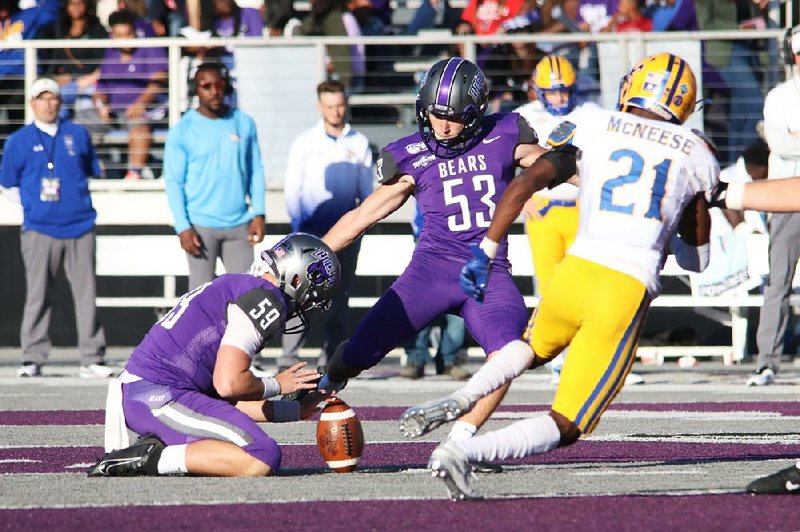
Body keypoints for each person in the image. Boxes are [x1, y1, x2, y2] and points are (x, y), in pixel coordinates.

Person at [400, 53, 720, 500]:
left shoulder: (596, 124)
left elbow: (523, 183)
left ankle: (463, 398)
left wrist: (486, 250)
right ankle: (466, 452)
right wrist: (705, 198)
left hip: (575, 269)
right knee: (569, 422)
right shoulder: (695, 151)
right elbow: (696, 260)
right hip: (622, 286)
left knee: (528, 349)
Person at [316, 57, 546, 453]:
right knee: (355, 353)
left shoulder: (505, 134)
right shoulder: (412, 154)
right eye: (435, 114)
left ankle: (460, 440)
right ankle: (322, 389)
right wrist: (313, 256)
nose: (441, 126)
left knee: (510, 354)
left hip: (487, 273)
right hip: (429, 272)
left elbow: (557, 166)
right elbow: (363, 215)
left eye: (453, 117)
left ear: (475, 114)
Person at [87, 233, 340, 477]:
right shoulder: (266, 299)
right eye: (310, 298)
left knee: (255, 449)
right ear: (297, 280)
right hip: (157, 396)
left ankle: (157, 452)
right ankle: (150, 459)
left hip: (153, 392)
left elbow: (223, 402)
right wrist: (277, 385)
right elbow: (229, 385)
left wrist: (296, 410)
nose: (305, 307)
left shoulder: (243, 286)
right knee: (262, 455)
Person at [0, 77, 111, 379]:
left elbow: (91, 171)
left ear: (61, 102)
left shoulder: (77, 134)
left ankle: (92, 357)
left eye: (53, 98)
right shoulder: (18, 141)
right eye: (42, 98)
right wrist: (33, 209)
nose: (48, 103)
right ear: (31, 102)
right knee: (38, 294)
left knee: (86, 294)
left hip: (80, 224)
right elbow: (7, 184)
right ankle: (32, 357)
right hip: (39, 228)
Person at [276, 80, 372, 373]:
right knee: (298, 297)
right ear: (320, 107)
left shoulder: (359, 143)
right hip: (311, 234)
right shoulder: (305, 142)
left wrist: (359, 227)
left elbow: (367, 192)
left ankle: (332, 361)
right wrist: (299, 229)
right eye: (330, 106)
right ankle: (288, 358)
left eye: (340, 105)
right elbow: (293, 190)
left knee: (340, 301)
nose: (336, 111)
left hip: (347, 233)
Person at [163, 62, 266, 291]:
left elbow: (256, 169)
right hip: (200, 228)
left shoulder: (244, 122)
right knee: (200, 302)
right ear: (196, 90)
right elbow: (173, 182)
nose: (214, 91)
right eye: (206, 86)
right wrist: (183, 227)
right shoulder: (183, 129)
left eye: (219, 85)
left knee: (246, 296)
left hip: (239, 225)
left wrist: (259, 212)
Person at [514, 55, 579, 385]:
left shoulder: (587, 114)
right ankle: (555, 357)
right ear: (538, 91)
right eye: (552, 92)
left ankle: (582, 355)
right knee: (551, 290)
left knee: (585, 286)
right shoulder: (524, 118)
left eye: (564, 92)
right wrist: (519, 196)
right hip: (544, 212)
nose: (559, 99)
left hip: (581, 210)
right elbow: (503, 160)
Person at [745, 26, 800, 387]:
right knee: (778, 281)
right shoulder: (780, 95)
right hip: (786, 196)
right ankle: (767, 361)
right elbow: (780, 144)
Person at [91, 9, 168, 180]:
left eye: (128, 34)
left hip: (145, 111)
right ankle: (92, 170)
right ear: (113, 35)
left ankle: (135, 173)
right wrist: (101, 106)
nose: (125, 39)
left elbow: (159, 80)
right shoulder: (110, 55)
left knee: (138, 121)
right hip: (114, 114)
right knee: (79, 122)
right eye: (120, 35)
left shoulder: (149, 48)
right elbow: (100, 91)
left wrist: (141, 102)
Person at [401, 203, 469, 380]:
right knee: (421, 301)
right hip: (428, 235)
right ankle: (415, 358)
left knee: (459, 299)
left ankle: (449, 359)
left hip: (464, 236)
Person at [0, 0, 59, 152]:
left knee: (18, 118)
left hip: (22, 78)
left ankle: (20, 155)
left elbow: (52, 9)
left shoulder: (30, 15)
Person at [43, 0, 107, 124]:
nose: (76, 7)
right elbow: (56, 59)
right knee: (54, 101)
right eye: (72, 3)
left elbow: (98, 61)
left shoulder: (97, 30)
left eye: (80, 3)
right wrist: (53, 78)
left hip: (88, 81)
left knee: (62, 99)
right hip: (64, 82)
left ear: (87, 5)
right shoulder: (61, 29)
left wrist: (73, 76)